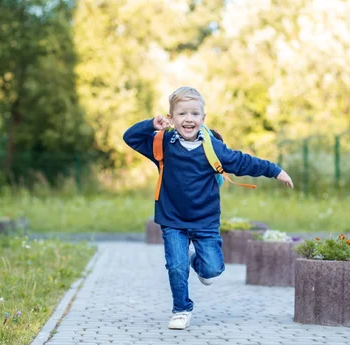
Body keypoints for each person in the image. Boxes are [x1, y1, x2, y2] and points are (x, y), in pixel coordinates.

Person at [123, 86, 293, 330]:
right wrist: (150, 124)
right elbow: (130, 137)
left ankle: (198, 261)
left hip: (205, 221)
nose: (188, 119)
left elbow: (244, 162)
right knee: (175, 265)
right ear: (171, 119)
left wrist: (275, 170)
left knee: (212, 270)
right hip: (172, 219)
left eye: (194, 114)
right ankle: (181, 309)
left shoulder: (213, 148)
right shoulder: (163, 144)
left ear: (203, 118)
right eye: (181, 114)